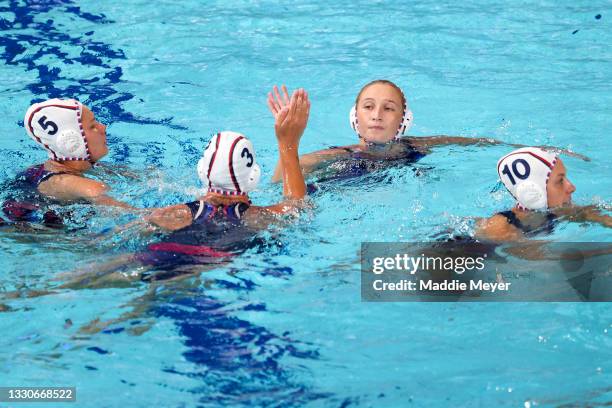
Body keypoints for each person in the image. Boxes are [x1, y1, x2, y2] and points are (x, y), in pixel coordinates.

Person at [61, 88, 311, 285]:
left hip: (158, 253)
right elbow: (298, 207)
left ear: (202, 172)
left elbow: (120, 235)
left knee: (77, 279)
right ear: (253, 178)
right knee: (147, 303)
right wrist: (288, 144)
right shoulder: (258, 217)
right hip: (202, 265)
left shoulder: (174, 213)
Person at [267, 80, 588, 183]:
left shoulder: (417, 146)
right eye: (368, 106)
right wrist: (288, 142)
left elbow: (481, 144)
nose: (377, 115)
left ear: (403, 121)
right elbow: (281, 178)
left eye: (388, 108)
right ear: (355, 118)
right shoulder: (337, 157)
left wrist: (547, 150)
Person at [1, 98, 132, 226]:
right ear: (71, 142)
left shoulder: (46, 169)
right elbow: (98, 194)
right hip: (25, 232)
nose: (103, 127)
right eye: (93, 126)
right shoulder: (68, 182)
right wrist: (146, 214)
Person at [475, 147, 611, 242]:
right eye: (560, 181)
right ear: (533, 192)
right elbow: (538, 258)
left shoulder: (551, 212)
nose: (572, 187)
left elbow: (588, 212)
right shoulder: (500, 227)